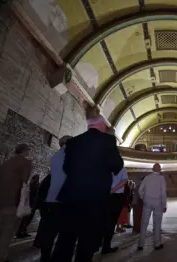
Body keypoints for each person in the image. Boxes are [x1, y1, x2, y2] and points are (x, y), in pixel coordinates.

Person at [51, 106, 124, 262]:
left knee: (66, 240)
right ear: (100, 125)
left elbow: (66, 168)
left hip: (71, 197)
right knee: (87, 241)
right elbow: (117, 166)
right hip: (95, 199)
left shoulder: (73, 142)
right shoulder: (108, 141)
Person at [0, 143, 32, 262]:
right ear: (25, 151)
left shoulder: (5, 163)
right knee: (7, 232)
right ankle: (0, 257)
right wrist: (23, 203)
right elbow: (24, 183)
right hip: (11, 202)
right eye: (28, 150)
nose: (29, 152)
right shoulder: (26, 163)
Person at [33, 136, 71, 262]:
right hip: (56, 203)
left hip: (56, 203)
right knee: (52, 235)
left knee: (52, 235)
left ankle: (48, 257)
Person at [137, 163, 167, 250]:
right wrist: (164, 205)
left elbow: (140, 190)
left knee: (144, 223)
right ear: (160, 169)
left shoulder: (147, 178)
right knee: (157, 224)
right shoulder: (161, 178)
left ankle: (141, 244)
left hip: (147, 203)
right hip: (158, 204)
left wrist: (144, 198)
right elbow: (163, 193)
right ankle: (157, 244)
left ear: (152, 169)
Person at [100, 167, 128, 254]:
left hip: (104, 195)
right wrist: (113, 190)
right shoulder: (122, 169)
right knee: (111, 222)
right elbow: (124, 181)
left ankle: (97, 245)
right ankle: (106, 247)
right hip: (115, 197)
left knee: (102, 220)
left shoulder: (105, 167)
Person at [16, 174, 40, 238]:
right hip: (30, 205)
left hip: (31, 205)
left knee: (26, 220)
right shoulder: (32, 186)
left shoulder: (33, 185)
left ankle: (22, 231)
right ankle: (20, 232)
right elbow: (32, 196)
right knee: (25, 220)